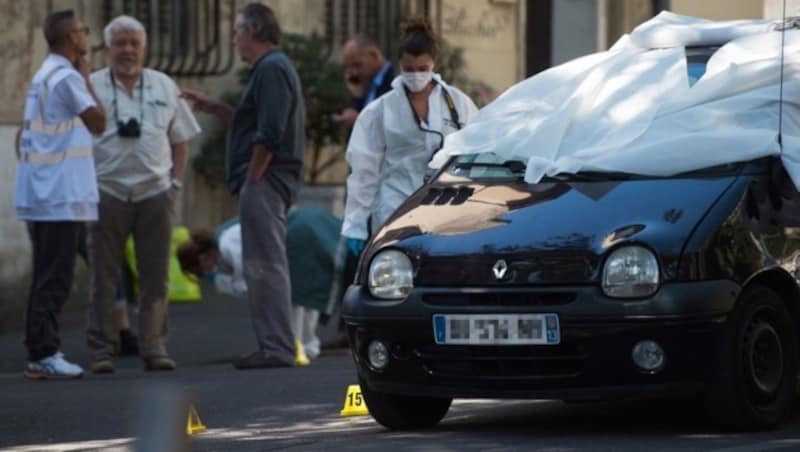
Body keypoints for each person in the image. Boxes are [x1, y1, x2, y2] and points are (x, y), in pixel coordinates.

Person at [181, 3, 305, 370]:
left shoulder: (272, 69)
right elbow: (254, 122)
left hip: (265, 181)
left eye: (236, 32)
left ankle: (277, 347)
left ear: (252, 32)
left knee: (265, 265)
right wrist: (216, 107)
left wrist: (253, 177)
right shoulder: (269, 70)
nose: (234, 40)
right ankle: (274, 345)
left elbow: (269, 132)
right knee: (263, 263)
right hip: (265, 180)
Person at [86, 15, 201, 374]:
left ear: (144, 47)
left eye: (134, 43)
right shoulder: (91, 86)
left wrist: (175, 184)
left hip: (155, 192)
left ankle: (154, 347)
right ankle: (103, 351)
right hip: (106, 191)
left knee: (156, 276)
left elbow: (180, 139)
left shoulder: (164, 85)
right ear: (108, 48)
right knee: (103, 276)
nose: (128, 50)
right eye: (120, 43)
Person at [14, 9, 106, 379]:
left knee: (46, 275)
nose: (86, 36)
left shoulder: (44, 73)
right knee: (55, 277)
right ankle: (43, 353)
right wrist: (87, 78)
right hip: (59, 195)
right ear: (73, 39)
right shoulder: (67, 77)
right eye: (83, 31)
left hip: (44, 191)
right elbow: (99, 122)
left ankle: (42, 351)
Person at [340, 17, 478, 255]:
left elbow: (479, 150)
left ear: (434, 63)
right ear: (399, 65)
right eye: (408, 69)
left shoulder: (458, 104)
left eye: (422, 69)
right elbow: (364, 172)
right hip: (394, 208)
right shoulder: (380, 111)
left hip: (446, 209)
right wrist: (356, 223)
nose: (415, 76)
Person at [176, 207, 341, 364]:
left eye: (200, 270)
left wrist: (224, 283)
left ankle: (296, 345)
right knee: (306, 293)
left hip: (295, 237)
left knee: (296, 296)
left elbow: (255, 282)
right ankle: (307, 346)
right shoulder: (225, 235)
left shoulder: (227, 246)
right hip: (300, 229)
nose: (206, 273)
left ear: (202, 258)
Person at [336, 35, 395, 130]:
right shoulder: (368, 84)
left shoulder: (395, 80)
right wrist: (357, 97)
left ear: (374, 55)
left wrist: (359, 119)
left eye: (357, 65)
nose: (354, 73)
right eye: (348, 67)